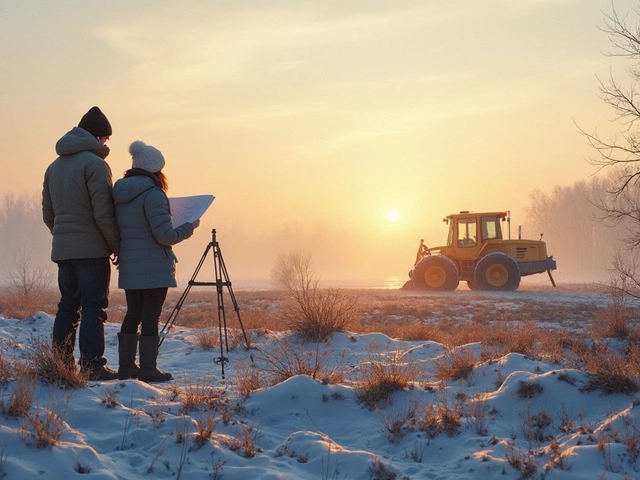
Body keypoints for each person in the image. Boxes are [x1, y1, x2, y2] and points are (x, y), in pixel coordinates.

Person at [42, 106, 121, 381]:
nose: (106, 144)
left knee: (67, 307)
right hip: (91, 251)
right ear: (98, 137)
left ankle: (61, 365)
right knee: (93, 307)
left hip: (63, 251)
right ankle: (92, 366)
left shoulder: (54, 167)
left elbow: (48, 214)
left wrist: (63, 237)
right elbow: (104, 212)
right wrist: (116, 246)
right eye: (106, 139)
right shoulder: (95, 165)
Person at [112, 140, 200, 382]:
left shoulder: (119, 194)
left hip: (130, 264)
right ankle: (148, 369)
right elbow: (165, 236)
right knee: (150, 316)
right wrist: (188, 227)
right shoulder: (153, 195)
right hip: (153, 266)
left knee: (133, 314)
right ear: (155, 169)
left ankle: (126, 367)